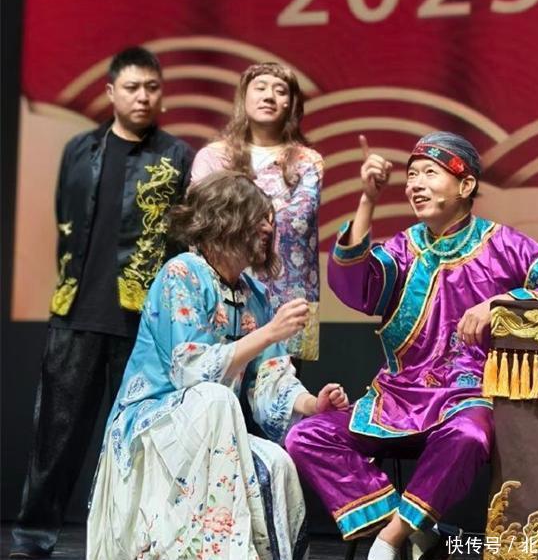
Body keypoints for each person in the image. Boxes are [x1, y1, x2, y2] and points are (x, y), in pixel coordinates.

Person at [285, 131, 538, 560]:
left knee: (469, 435)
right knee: (307, 435)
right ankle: (417, 528)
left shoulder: (504, 245)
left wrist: (502, 304)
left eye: (430, 173)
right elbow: (356, 287)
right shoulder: (403, 249)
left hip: (467, 396)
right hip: (397, 398)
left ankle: (391, 538)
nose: (415, 185)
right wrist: (368, 200)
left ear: (465, 185)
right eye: (411, 176)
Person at [86, 171, 349, 560]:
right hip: (155, 422)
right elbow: (189, 370)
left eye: (269, 220)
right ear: (226, 219)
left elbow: (269, 380)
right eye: (258, 218)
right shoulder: (181, 274)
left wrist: (313, 404)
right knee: (215, 399)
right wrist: (269, 333)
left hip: (211, 426)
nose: (268, 228)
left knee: (276, 462)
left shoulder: (254, 294)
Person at [10, 47, 194, 559]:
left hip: (142, 320)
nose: (143, 97)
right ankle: (32, 539)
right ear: (112, 92)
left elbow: (181, 238)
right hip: (75, 313)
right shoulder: (80, 149)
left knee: (142, 439)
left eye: (152, 87)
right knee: (55, 437)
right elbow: (65, 220)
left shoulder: (176, 156)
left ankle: (140, 541)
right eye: (132, 87)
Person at [190, 62, 323, 362]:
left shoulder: (307, 160)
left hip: (288, 297)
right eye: (260, 87)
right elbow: (202, 220)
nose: (269, 96)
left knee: (285, 386)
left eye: (280, 90)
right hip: (224, 291)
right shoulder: (212, 156)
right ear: (244, 97)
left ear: (291, 103)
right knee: (219, 374)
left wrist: (235, 211)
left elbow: (298, 220)